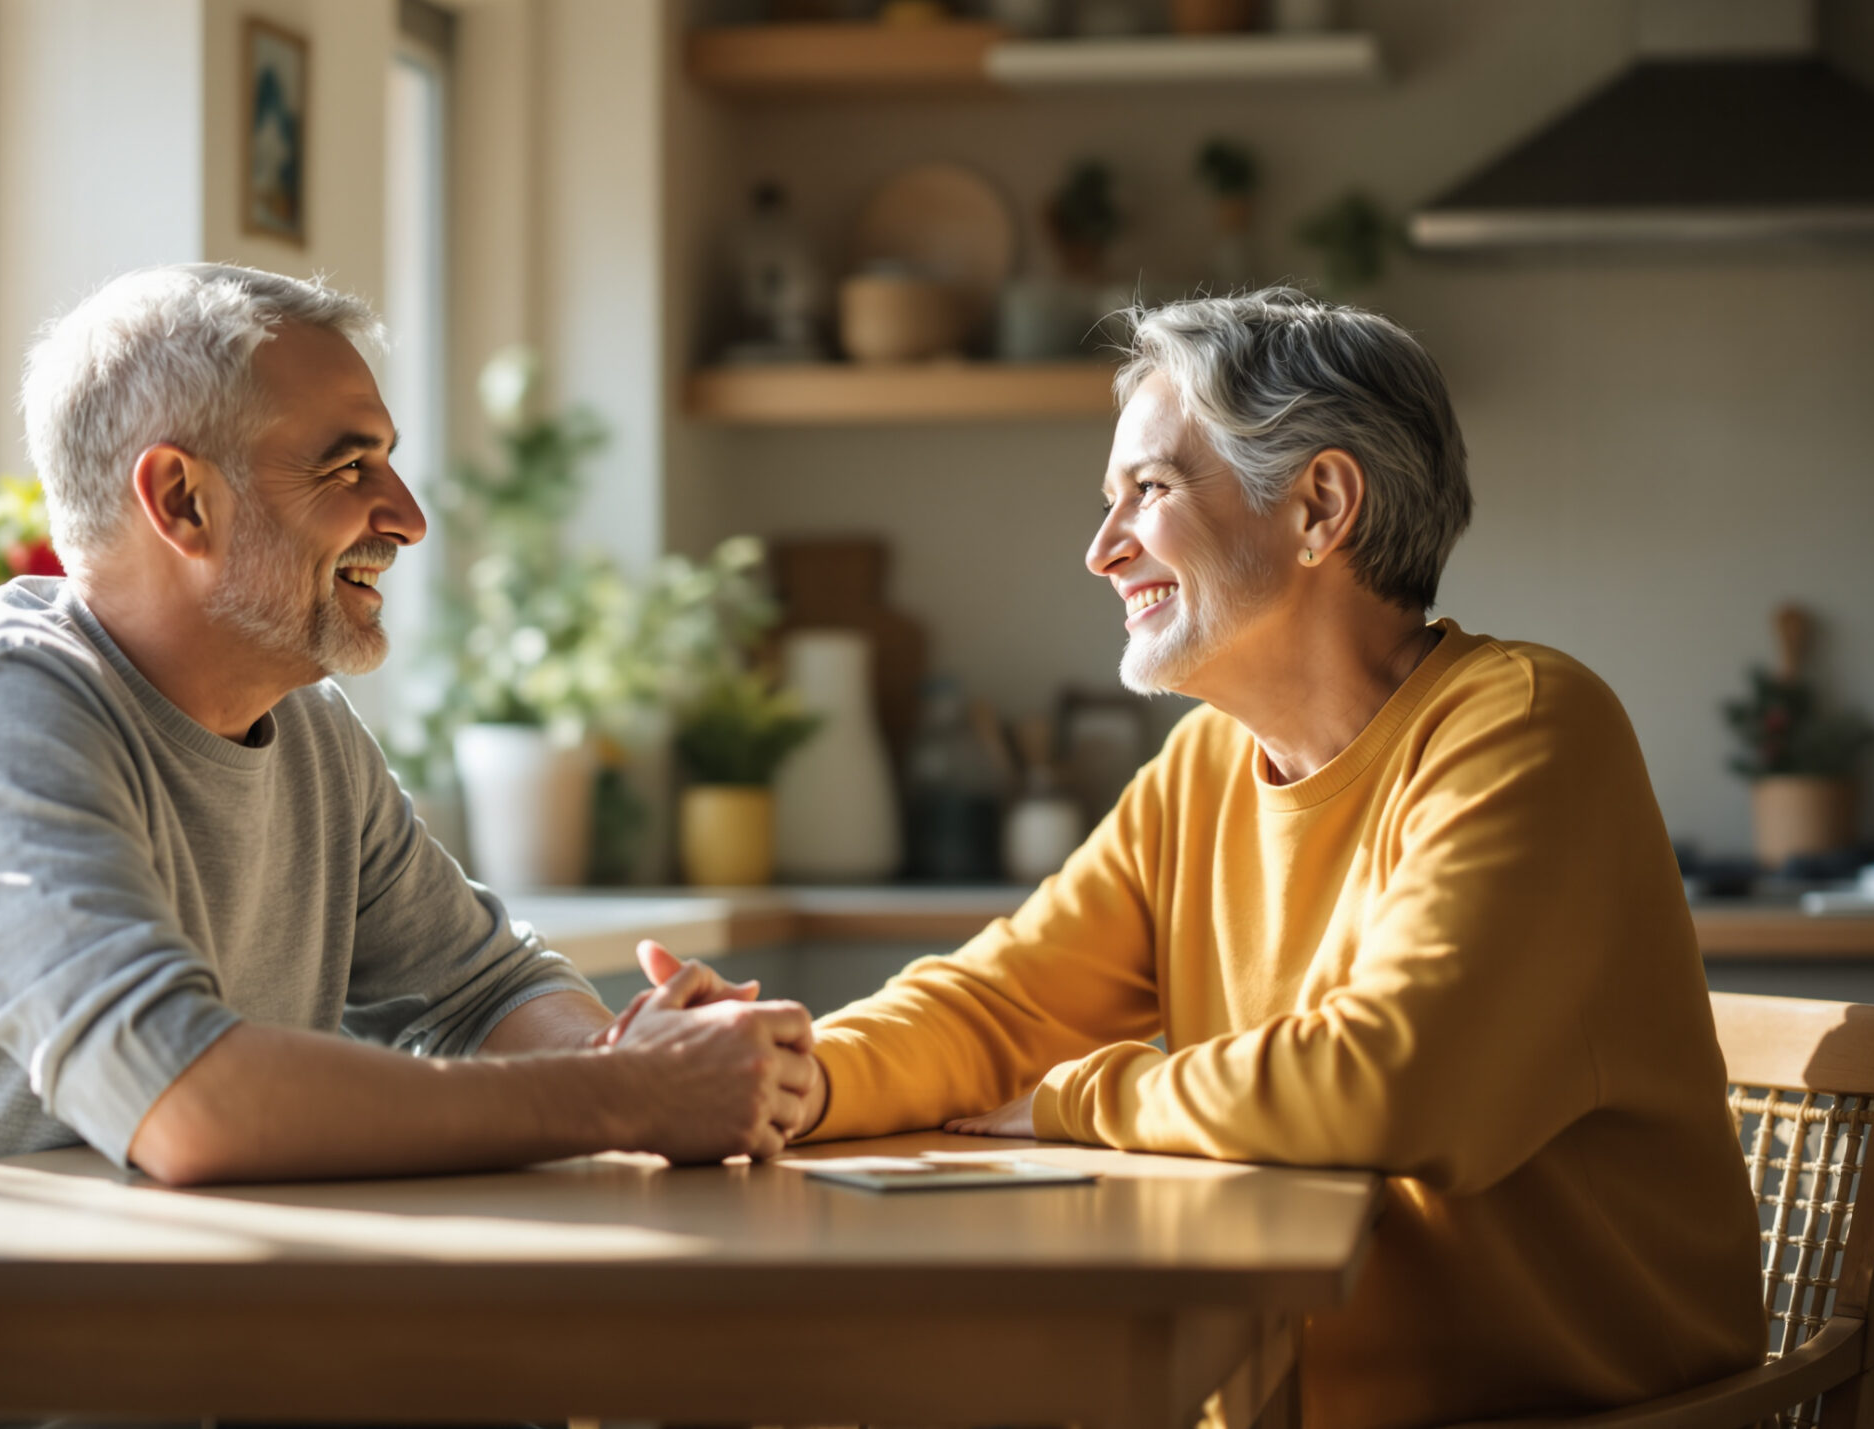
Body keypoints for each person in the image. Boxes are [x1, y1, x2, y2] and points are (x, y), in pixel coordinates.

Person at [627, 289, 1766, 1428]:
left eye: (1149, 490)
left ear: (1319, 506)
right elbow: (996, 1005)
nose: (1100, 548)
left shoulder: (1521, 727)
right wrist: (788, 1070)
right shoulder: (1202, 770)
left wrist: (1080, 1096)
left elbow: (1392, 1086)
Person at [0, 263, 814, 1230]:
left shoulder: (311, 732)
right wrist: (626, 1091)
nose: (408, 518)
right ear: (182, 501)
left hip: (228, 1336)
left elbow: (484, 989)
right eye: (348, 464)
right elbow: (183, 1099)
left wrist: (641, 1052)